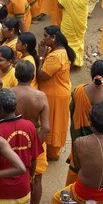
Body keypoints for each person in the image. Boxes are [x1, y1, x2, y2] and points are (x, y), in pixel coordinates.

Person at [66, 60, 103, 185]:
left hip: (78, 137)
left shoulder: (78, 91)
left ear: (91, 73)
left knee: (77, 165)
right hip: (100, 142)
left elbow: (72, 111)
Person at [0, 88, 43, 204]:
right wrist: (30, 178)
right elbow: (34, 159)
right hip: (23, 188)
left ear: (1, 110)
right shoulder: (29, 126)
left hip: (1, 191)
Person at [11, 60, 50, 204]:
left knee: (12, 175)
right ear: (33, 76)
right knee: (37, 178)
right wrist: (34, 148)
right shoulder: (40, 96)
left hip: (13, 140)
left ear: (15, 74)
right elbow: (46, 128)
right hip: (35, 140)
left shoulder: (10, 93)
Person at [37, 25, 75, 160]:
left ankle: (52, 153)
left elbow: (42, 76)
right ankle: (51, 152)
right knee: (54, 123)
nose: (43, 38)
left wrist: (41, 57)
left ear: (53, 38)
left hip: (55, 96)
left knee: (53, 124)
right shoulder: (58, 51)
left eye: (45, 36)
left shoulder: (55, 56)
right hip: (57, 93)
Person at [57, 0, 90, 67]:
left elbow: (59, 5)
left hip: (69, 22)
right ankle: (77, 61)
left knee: (67, 41)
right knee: (79, 40)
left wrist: (68, 7)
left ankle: (68, 61)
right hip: (81, 21)